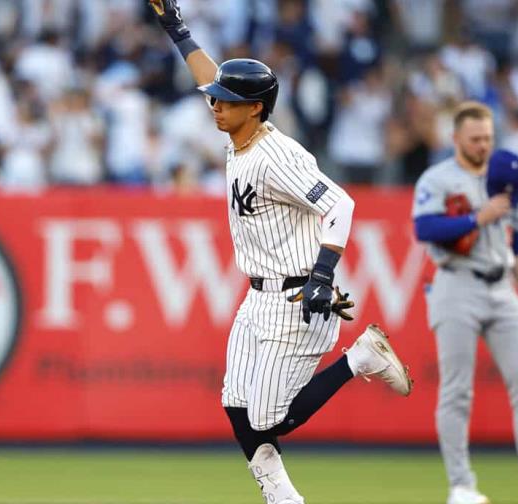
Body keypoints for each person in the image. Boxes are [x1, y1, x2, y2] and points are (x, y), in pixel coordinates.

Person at [148, 2, 413, 503]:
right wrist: (176, 30)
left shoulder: (276, 155)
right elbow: (212, 76)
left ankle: (360, 358)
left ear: (256, 107)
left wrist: (321, 275)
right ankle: (283, 498)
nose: (215, 105)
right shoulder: (238, 134)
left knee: (271, 418)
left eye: (227, 101)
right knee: (234, 404)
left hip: (298, 298)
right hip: (259, 297)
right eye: (216, 100)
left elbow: (341, 204)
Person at [412, 101, 518, 504]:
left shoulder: (504, 179)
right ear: (456, 139)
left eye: (488, 138)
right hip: (455, 283)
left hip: (501, 287)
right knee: (457, 391)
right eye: (475, 138)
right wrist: (475, 218)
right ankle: (461, 486)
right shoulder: (438, 178)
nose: (483, 145)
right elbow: (424, 228)